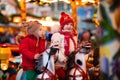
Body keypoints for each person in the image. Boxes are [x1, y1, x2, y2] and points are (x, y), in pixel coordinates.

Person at [51, 12, 78, 80]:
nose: (69, 26)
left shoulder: (74, 36)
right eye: (67, 24)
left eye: (71, 24)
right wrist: (62, 58)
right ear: (62, 25)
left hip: (72, 62)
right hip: (61, 63)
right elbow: (55, 49)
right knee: (63, 77)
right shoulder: (57, 35)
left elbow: (75, 48)